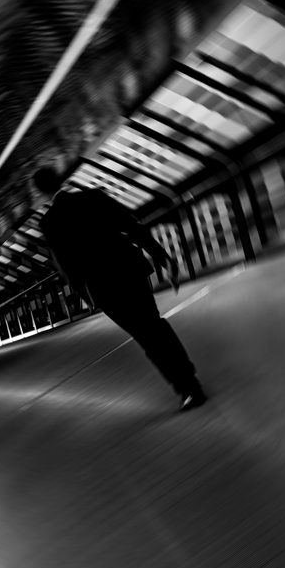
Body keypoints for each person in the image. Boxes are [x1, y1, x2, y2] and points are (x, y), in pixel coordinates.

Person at [33, 165, 207, 411]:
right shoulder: (93, 197)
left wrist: (86, 296)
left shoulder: (50, 222)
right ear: (61, 179)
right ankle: (190, 383)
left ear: (40, 192)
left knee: (145, 336)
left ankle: (186, 388)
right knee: (154, 324)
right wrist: (163, 258)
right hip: (130, 269)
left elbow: (66, 265)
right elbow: (132, 226)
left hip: (103, 287)